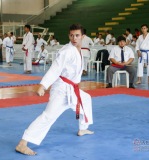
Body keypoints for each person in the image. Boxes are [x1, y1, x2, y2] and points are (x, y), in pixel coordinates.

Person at [15, 24, 94, 156]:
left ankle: (83, 128)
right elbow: (55, 68)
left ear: (83, 36)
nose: (74, 38)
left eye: (77, 35)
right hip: (62, 90)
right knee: (48, 116)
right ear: (69, 35)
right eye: (71, 35)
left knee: (86, 99)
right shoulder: (67, 51)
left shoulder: (79, 50)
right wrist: (43, 85)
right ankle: (22, 143)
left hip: (71, 88)